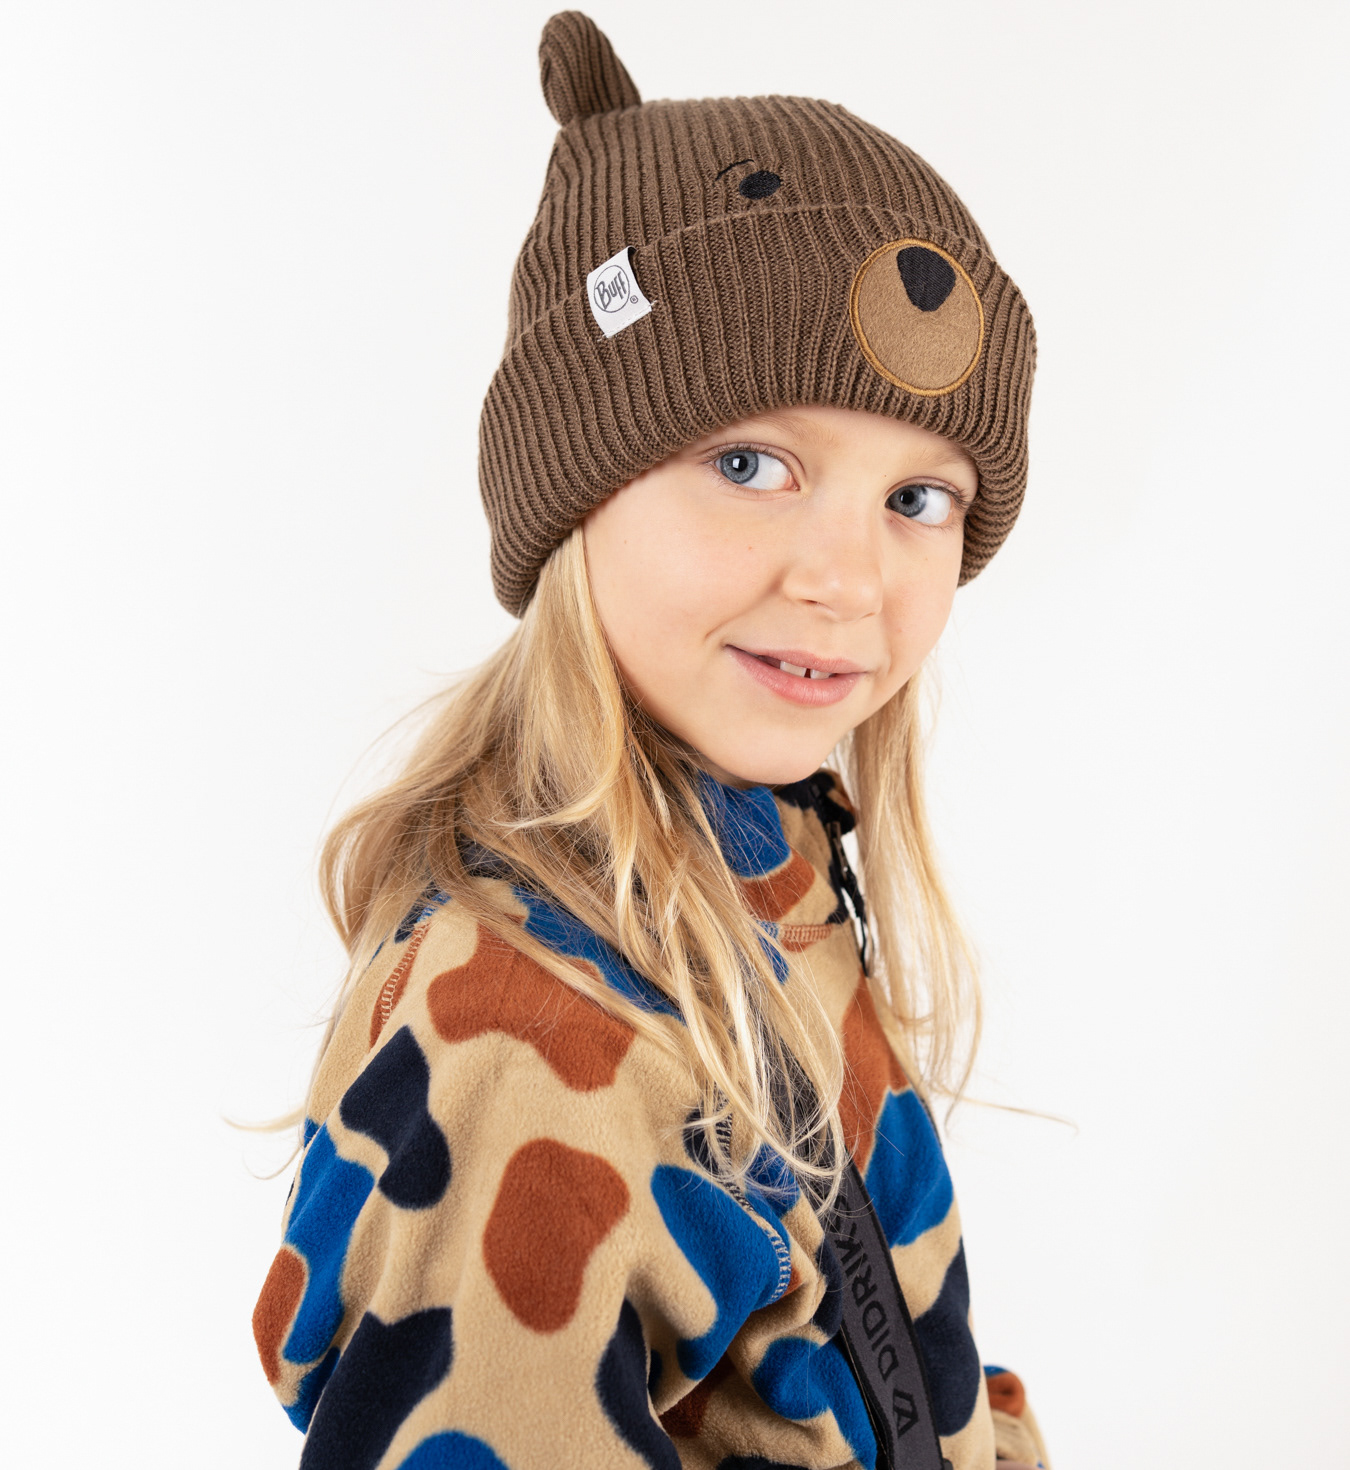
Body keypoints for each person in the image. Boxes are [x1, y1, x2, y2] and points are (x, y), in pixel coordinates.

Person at [251, 12, 1049, 1469]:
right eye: (750, 462)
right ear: (573, 493)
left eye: (917, 499)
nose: (849, 578)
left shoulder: (760, 858)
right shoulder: (530, 1036)